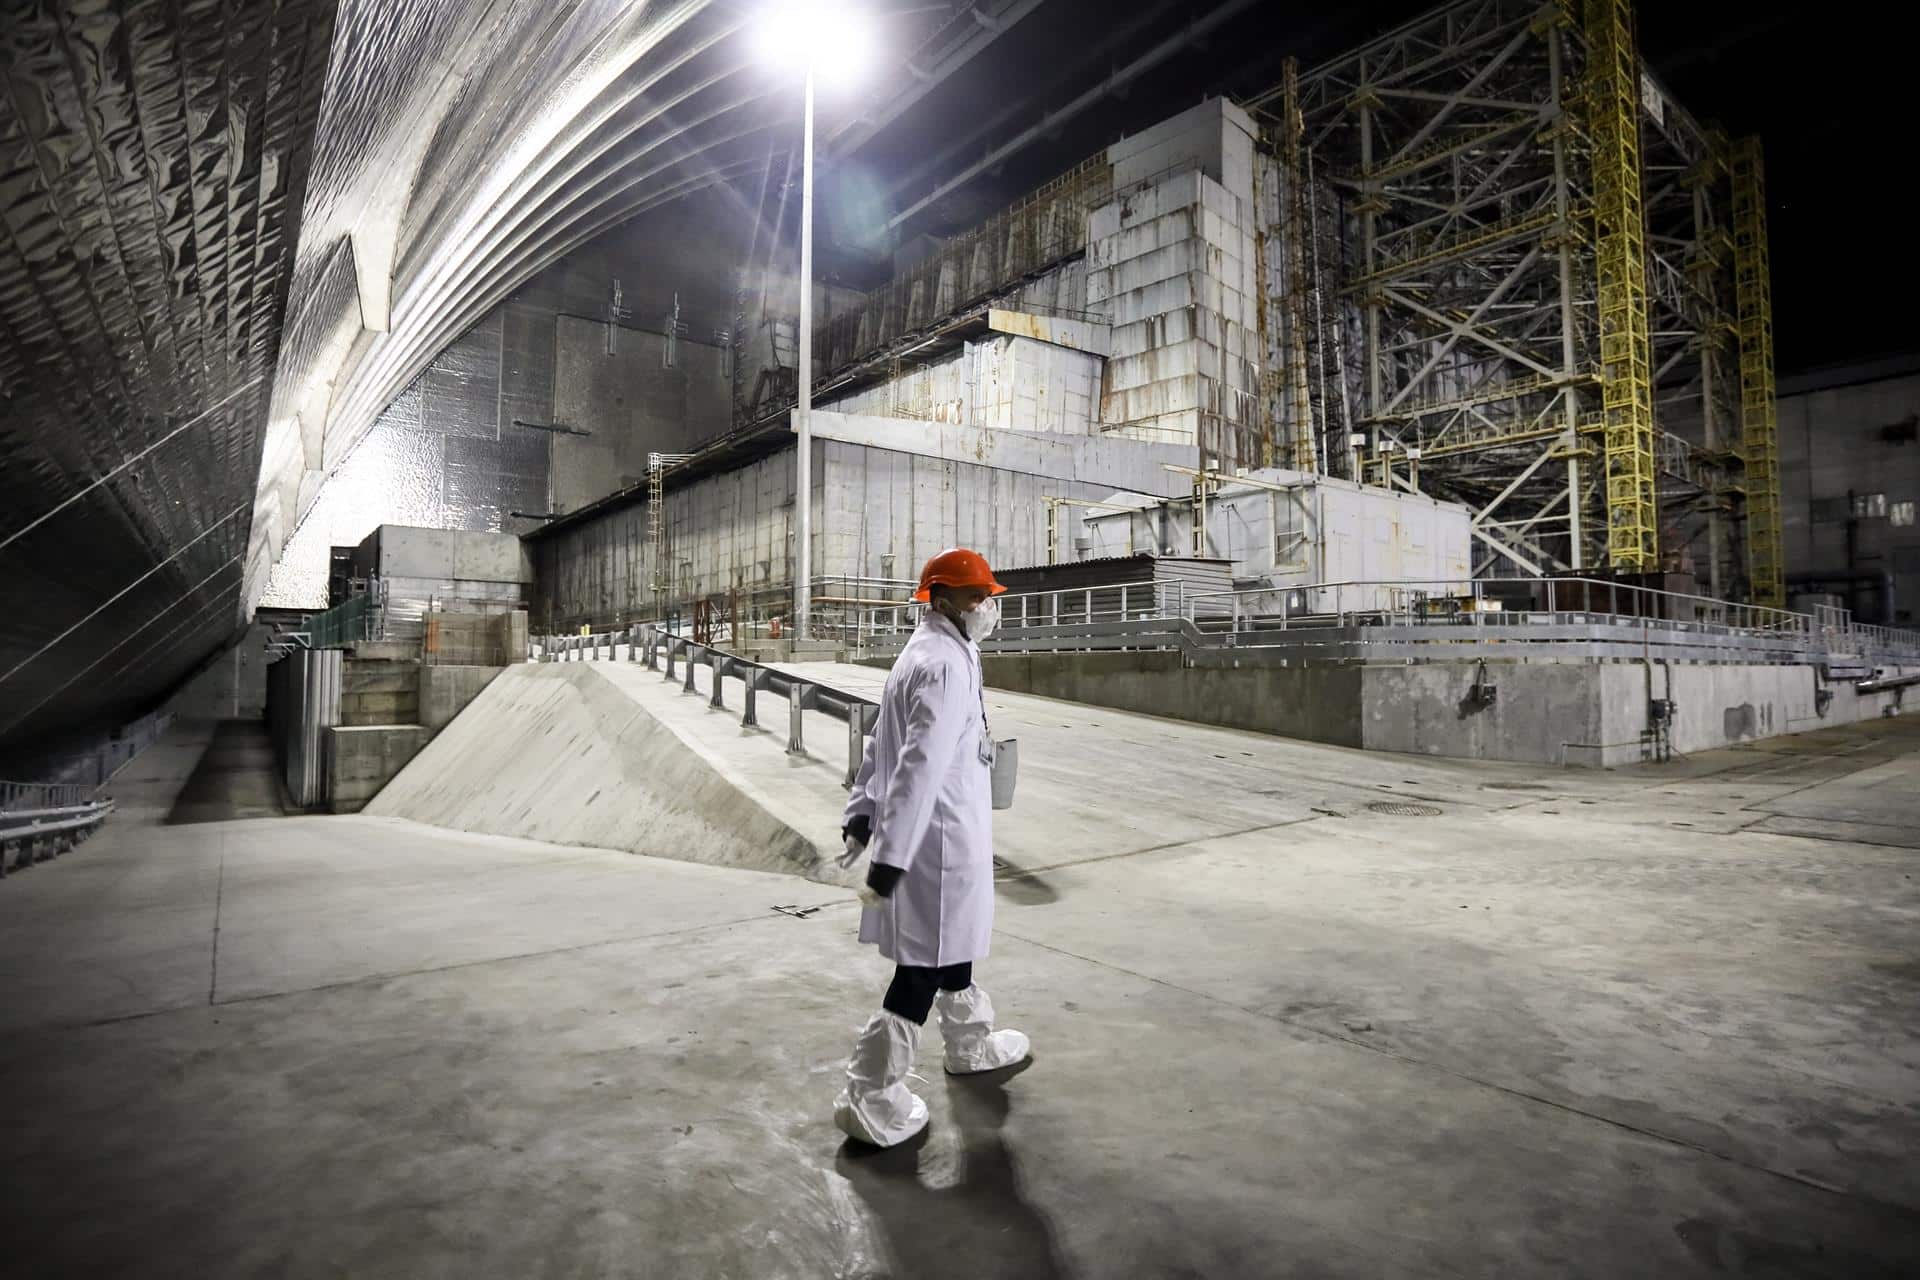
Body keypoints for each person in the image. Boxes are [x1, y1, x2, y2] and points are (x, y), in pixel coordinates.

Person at [831, 547, 1032, 1147]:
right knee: (919, 970)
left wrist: (862, 815)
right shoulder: (942, 664)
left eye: (988, 597)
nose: (987, 607)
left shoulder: (931, 652)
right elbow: (915, 767)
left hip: (942, 836)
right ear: (942, 600)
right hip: (936, 843)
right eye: (977, 597)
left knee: (954, 947)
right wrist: (888, 857)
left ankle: (970, 1044)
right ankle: (870, 1096)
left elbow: (878, 748)